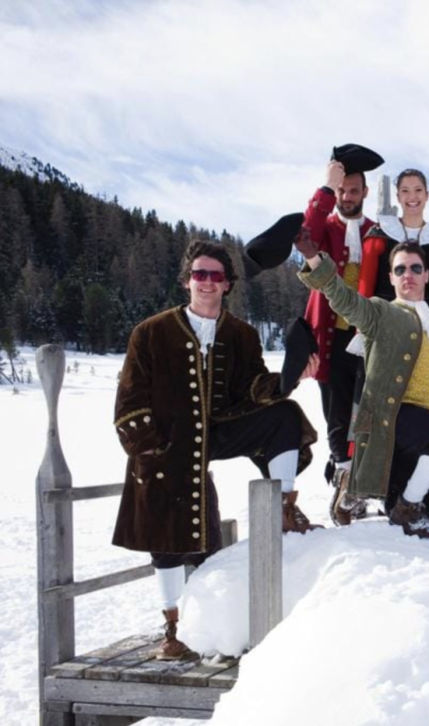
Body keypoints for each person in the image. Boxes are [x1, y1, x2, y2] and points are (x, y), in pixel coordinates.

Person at [112, 240, 320, 660]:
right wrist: (153, 450)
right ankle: (173, 629)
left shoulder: (240, 333)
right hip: (169, 439)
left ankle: (282, 505)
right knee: (170, 536)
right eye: (199, 274)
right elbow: (129, 402)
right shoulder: (150, 332)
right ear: (187, 280)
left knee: (284, 415)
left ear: (228, 284)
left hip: (220, 430)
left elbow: (254, 389)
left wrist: (288, 380)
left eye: (216, 276)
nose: (207, 283)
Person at [297, 233, 429, 539]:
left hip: (425, 429)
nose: (408, 275)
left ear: (427, 274)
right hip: (392, 419)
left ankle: (369, 493)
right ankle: (400, 503)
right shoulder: (380, 312)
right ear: (390, 277)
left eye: (416, 268)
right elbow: (343, 298)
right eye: (400, 269)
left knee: (398, 505)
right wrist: (314, 260)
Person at [301, 153, 375, 492]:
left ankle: (363, 474)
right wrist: (326, 188)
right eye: (343, 191)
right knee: (335, 410)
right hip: (329, 337)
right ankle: (343, 477)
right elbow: (306, 237)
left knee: (365, 411)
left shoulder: (376, 230)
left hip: (366, 338)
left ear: (365, 192)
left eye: (353, 191)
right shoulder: (326, 227)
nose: (347, 197)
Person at [359, 169, 429, 326]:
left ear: (426, 195)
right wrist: (363, 329)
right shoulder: (380, 233)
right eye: (405, 191)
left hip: (426, 325)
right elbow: (365, 288)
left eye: (418, 190)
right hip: (384, 322)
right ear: (398, 197)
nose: (412, 197)